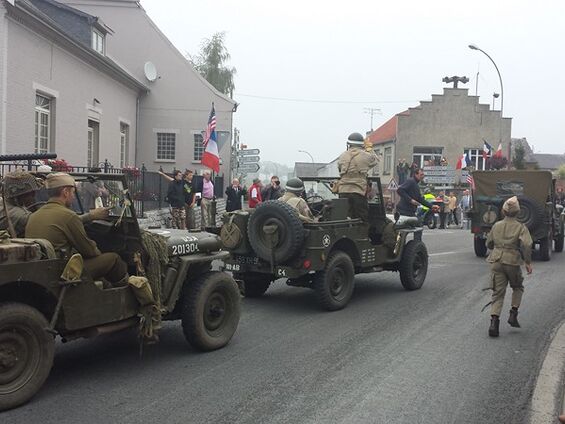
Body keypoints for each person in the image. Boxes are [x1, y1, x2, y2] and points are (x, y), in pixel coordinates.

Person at [25, 173, 128, 285]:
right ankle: (128, 291)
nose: (74, 197)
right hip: (64, 272)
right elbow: (90, 251)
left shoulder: (34, 215)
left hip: (41, 270)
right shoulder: (68, 216)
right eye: (73, 192)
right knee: (114, 259)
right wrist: (98, 250)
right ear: (65, 192)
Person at [0, 170, 109, 237]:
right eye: (31, 194)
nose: (34, 197)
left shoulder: (6, 204)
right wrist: (91, 216)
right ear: (19, 195)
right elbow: (53, 224)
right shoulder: (18, 215)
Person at [485, 196, 533, 338]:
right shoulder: (521, 227)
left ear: (504, 211)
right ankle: (513, 313)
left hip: (496, 260)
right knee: (517, 287)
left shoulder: (496, 225)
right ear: (518, 212)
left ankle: (494, 323)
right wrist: (528, 262)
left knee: (497, 293)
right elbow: (527, 244)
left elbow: (489, 243)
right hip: (512, 261)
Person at [337, 132, 379, 222]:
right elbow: (376, 160)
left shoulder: (342, 156)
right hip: (358, 191)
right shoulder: (366, 156)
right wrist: (369, 149)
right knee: (361, 219)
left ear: (349, 144)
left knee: (344, 218)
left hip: (343, 191)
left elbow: (339, 170)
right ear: (362, 144)